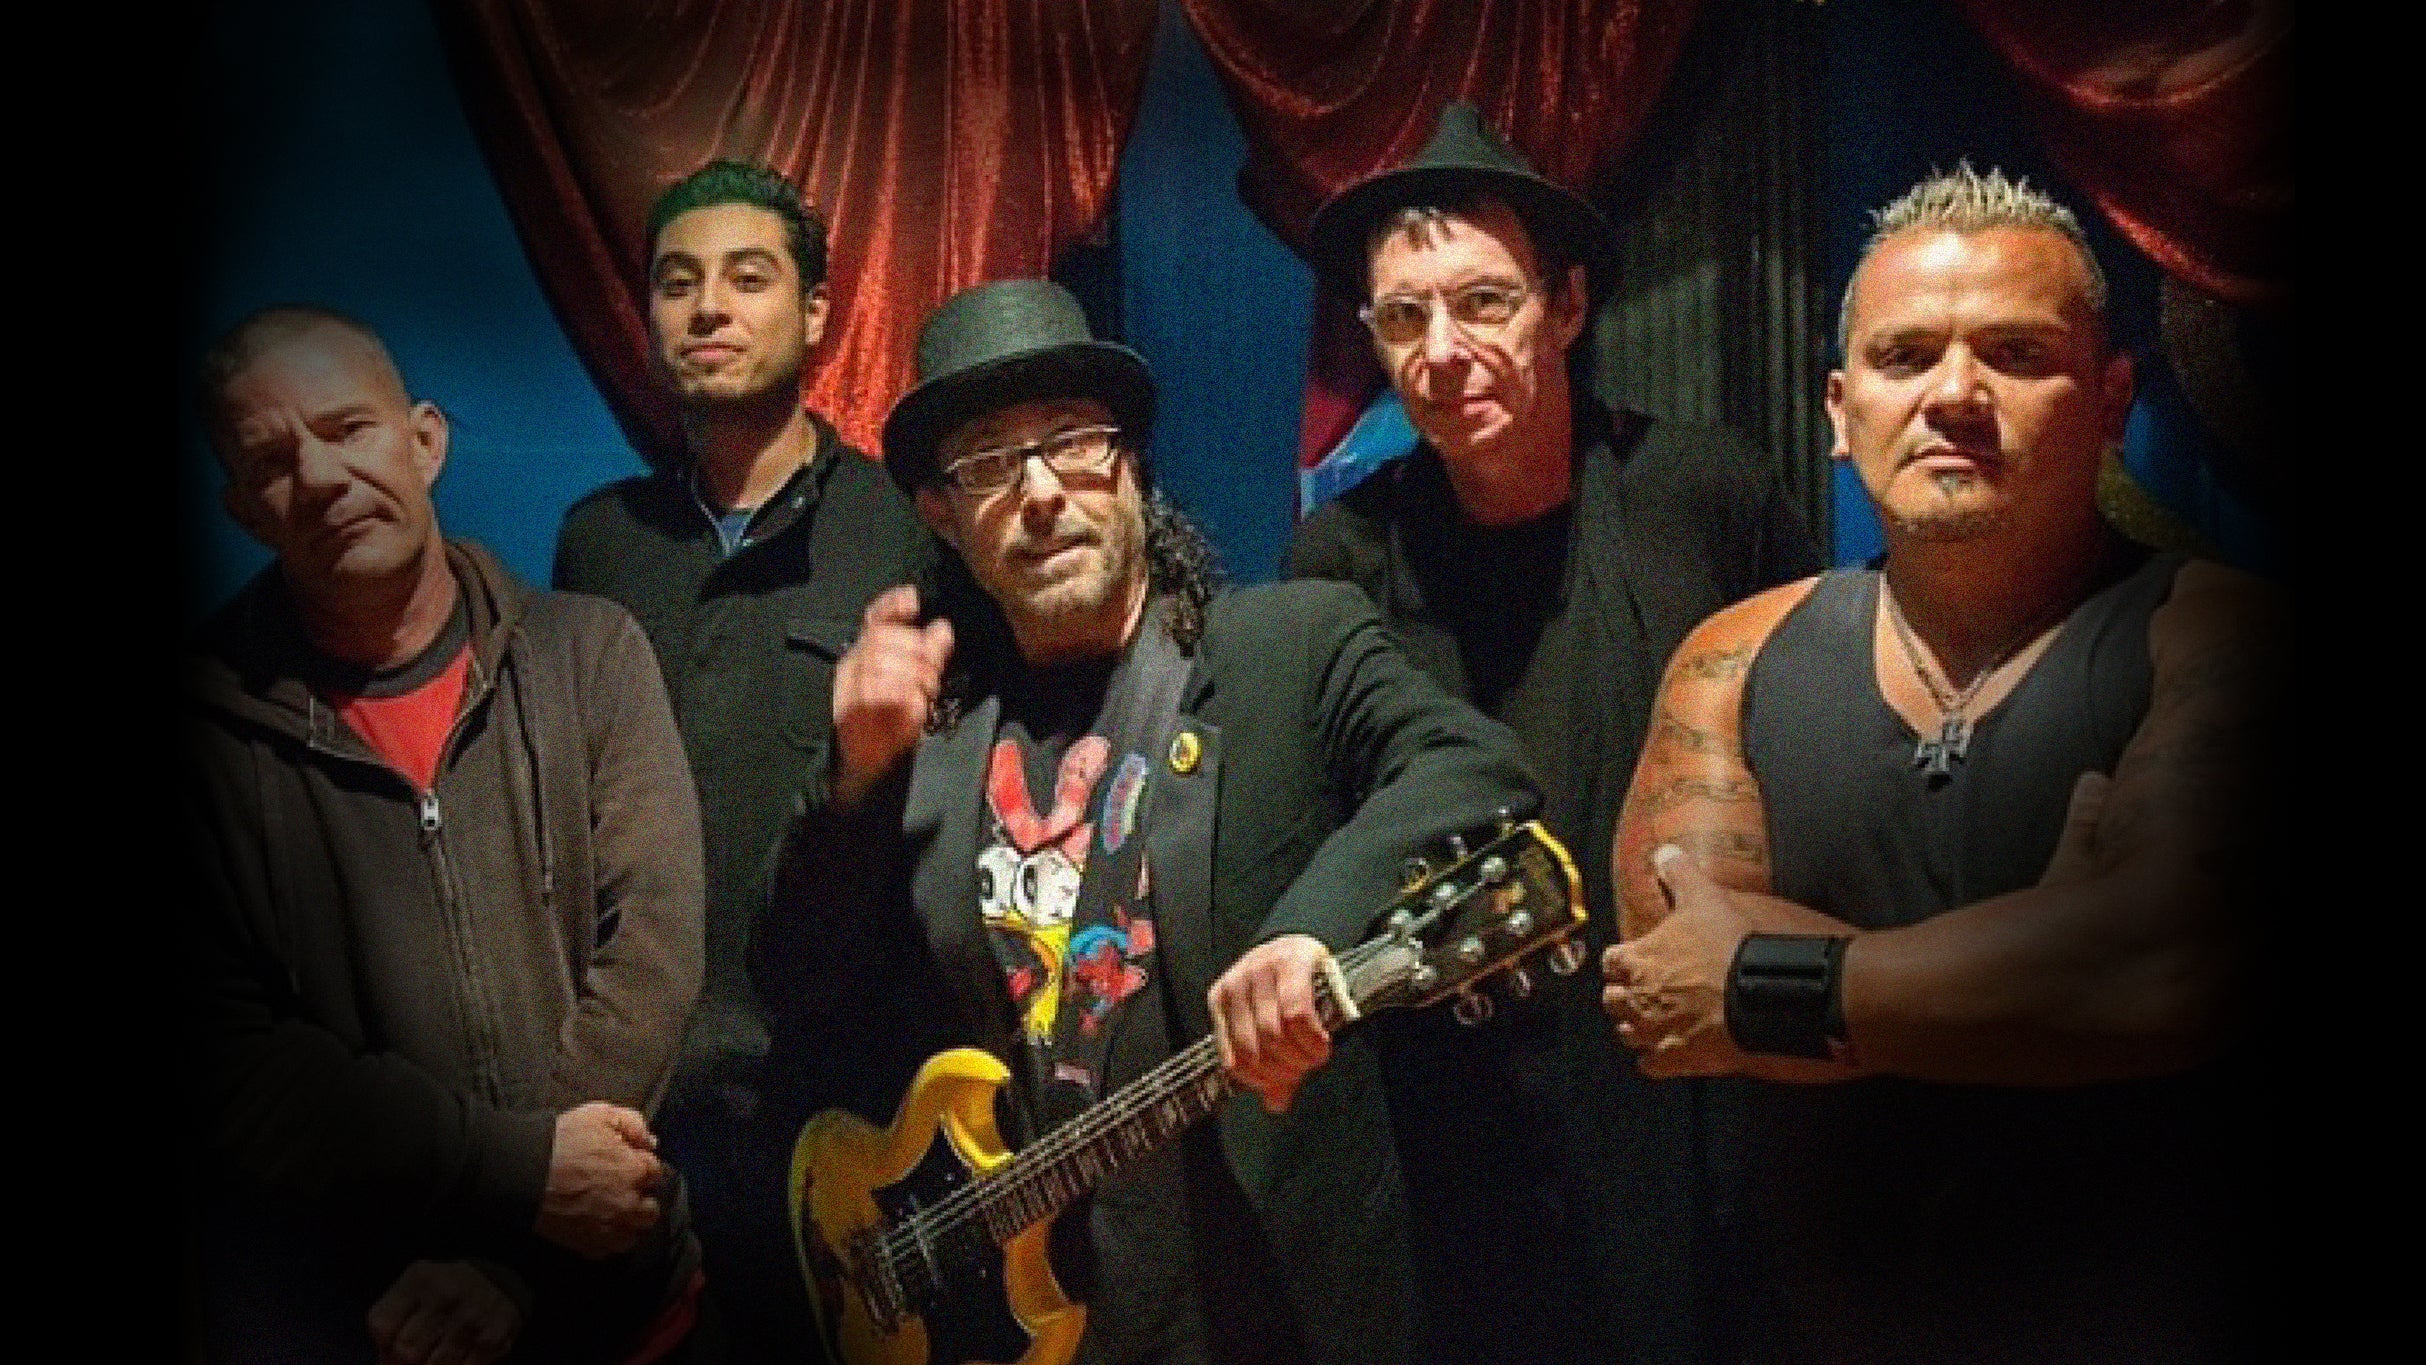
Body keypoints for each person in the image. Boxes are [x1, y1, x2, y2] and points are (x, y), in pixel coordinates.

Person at [753, 279, 1541, 1365]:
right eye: (989, 464)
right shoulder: (926, 740)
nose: (1040, 491)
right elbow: (795, 983)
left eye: (1072, 442)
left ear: (1128, 463)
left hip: (1270, 1316)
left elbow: (1475, 768)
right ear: (941, 514)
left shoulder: (1285, 648)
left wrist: (1307, 932)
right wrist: (853, 782)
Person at [1602, 166, 2276, 1361]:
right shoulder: (1733, 658)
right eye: (1904, 356)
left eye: (2014, 355)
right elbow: (1671, 992)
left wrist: (1779, 980)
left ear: (2110, 399)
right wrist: (2047, 963)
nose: (1953, 394)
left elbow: (2163, 965)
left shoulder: (2219, 633)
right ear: (1839, 407)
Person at [1285, 100, 1821, 1363]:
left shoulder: (1702, 493)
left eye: (1483, 302)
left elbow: (1808, 760)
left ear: (1565, 306)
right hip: (1457, 1102)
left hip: (1682, 1081)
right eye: (1402, 318)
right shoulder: (1339, 555)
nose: (1442, 351)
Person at [183, 307, 707, 1363]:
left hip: (627, 1305)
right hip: (380, 1330)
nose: (321, 478)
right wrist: (514, 1181)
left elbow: (653, 955)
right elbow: (235, 1062)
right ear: (242, 509)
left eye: (347, 429)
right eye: (273, 462)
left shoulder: (590, 653)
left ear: (425, 440)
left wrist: (512, 1258)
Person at [552, 160, 930, 1358]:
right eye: (677, 283)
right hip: (639, 1103)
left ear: (814, 313)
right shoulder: (599, 543)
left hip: (843, 1107)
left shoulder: (902, 530)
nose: (708, 307)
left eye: (746, 278)